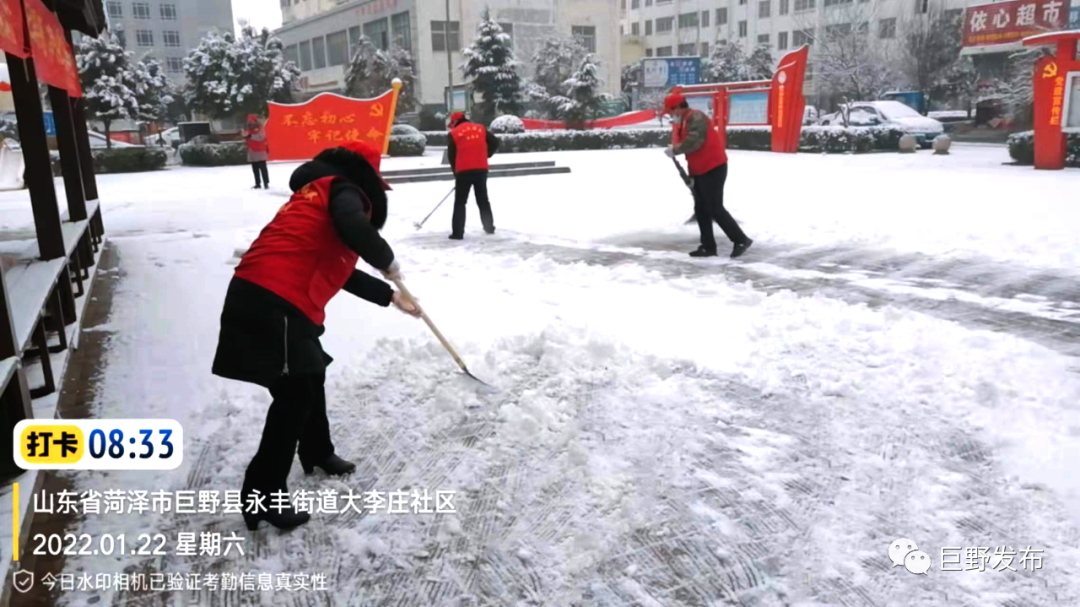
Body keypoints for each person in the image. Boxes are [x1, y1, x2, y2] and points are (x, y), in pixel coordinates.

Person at [212, 141, 422, 531]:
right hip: (274, 297)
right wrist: (387, 261)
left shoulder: (313, 198)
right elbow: (356, 227)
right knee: (295, 394)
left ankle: (317, 451)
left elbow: (339, 268)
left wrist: (392, 296)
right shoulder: (341, 190)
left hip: (274, 296)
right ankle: (262, 494)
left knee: (310, 375)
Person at [663, 92, 753, 259]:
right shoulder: (684, 121)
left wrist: (675, 149)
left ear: (679, 107)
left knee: (714, 207)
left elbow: (694, 142)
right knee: (701, 209)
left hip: (713, 167)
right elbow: (682, 142)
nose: (670, 115)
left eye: (671, 111)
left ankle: (741, 240)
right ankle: (708, 247)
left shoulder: (696, 117)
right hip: (699, 169)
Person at [446, 112, 500, 239]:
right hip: (481, 169)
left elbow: (452, 156)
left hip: (463, 171)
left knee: (460, 202)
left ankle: (458, 233)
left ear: (455, 122)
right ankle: (489, 227)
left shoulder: (454, 133)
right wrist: (486, 154)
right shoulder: (480, 128)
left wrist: (456, 174)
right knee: (483, 200)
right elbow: (495, 142)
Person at [244, 115, 270, 189]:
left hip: (260, 151)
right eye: (249, 120)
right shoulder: (248, 129)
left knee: (263, 168)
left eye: (251, 120)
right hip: (252, 151)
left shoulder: (260, 128)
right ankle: (257, 183)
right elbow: (247, 137)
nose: (250, 122)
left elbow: (261, 137)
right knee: (255, 169)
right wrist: (244, 135)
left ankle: (266, 183)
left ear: (255, 120)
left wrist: (250, 136)